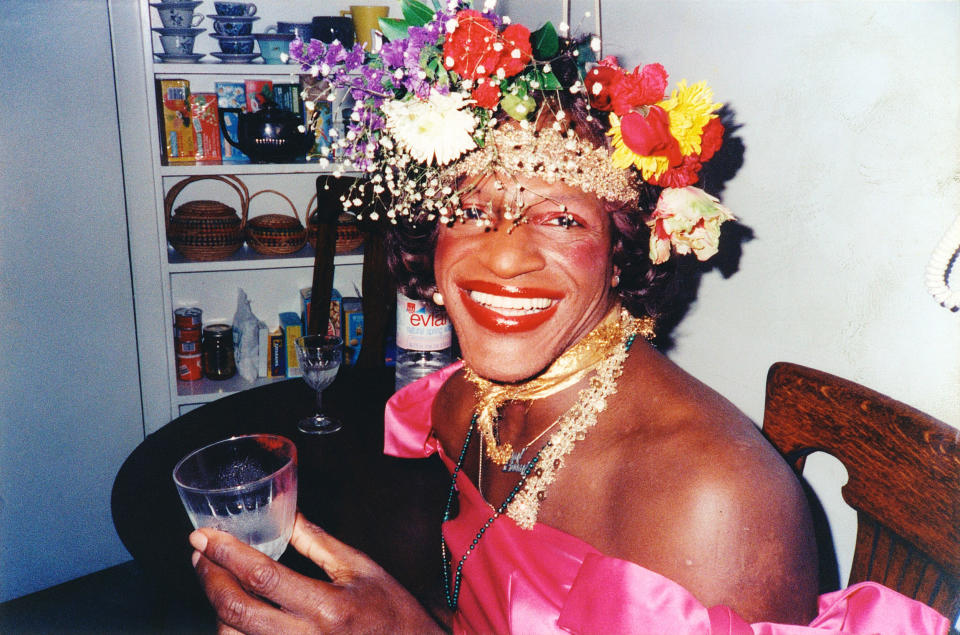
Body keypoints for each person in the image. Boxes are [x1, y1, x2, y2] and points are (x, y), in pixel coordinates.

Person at [189, 3, 951, 633]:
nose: (506, 258)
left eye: (560, 219)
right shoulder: (468, 402)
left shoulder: (710, 504)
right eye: (470, 210)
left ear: (623, 253)